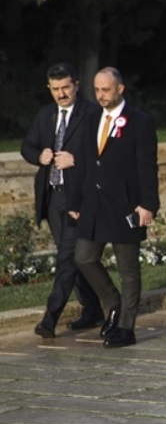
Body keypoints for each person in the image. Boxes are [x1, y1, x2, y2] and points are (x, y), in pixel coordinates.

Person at [67, 67, 159, 348]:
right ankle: (113, 303)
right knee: (83, 258)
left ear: (121, 89)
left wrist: (148, 204)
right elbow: (82, 161)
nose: (101, 95)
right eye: (96, 90)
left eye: (106, 89)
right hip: (94, 204)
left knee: (128, 270)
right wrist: (75, 200)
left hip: (125, 205)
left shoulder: (140, 122)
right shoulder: (90, 117)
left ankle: (126, 327)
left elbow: (147, 166)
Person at [21, 63, 102, 337]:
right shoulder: (45, 115)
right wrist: (39, 156)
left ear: (76, 85)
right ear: (49, 89)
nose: (61, 93)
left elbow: (105, 155)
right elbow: (27, 146)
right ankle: (93, 310)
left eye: (66, 87)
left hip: (79, 198)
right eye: (56, 89)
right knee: (76, 258)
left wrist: (76, 160)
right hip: (53, 196)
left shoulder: (92, 114)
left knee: (68, 258)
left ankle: (49, 319)